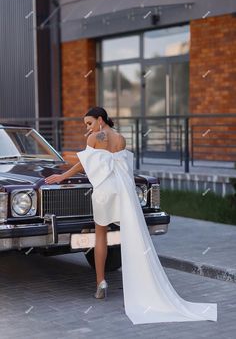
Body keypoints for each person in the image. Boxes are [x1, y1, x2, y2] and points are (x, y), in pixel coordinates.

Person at [45, 107, 217, 325]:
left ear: (100, 120)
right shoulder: (121, 139)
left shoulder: (95, 138)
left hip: (104, 192)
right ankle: (140, 281)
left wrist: (62, 176)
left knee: (101, 236)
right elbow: (123, 167)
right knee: (130, 232)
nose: (87, 128)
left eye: (89, 123)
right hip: (122, 190)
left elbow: (84, 166)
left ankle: (101, 282)